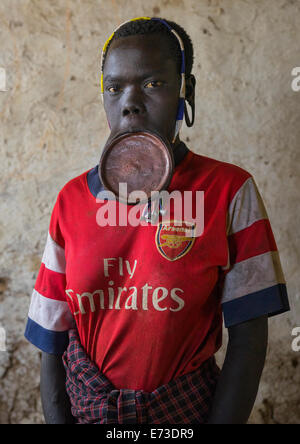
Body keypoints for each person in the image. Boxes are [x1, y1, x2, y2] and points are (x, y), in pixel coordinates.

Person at [24, 17, 290, 424]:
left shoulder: (228, 191)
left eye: (152, 84)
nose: (129, 102)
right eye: (114, 88)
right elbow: (51, 342)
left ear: (187, 90)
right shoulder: (71, 201)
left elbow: (250, 339)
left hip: (185, 416)